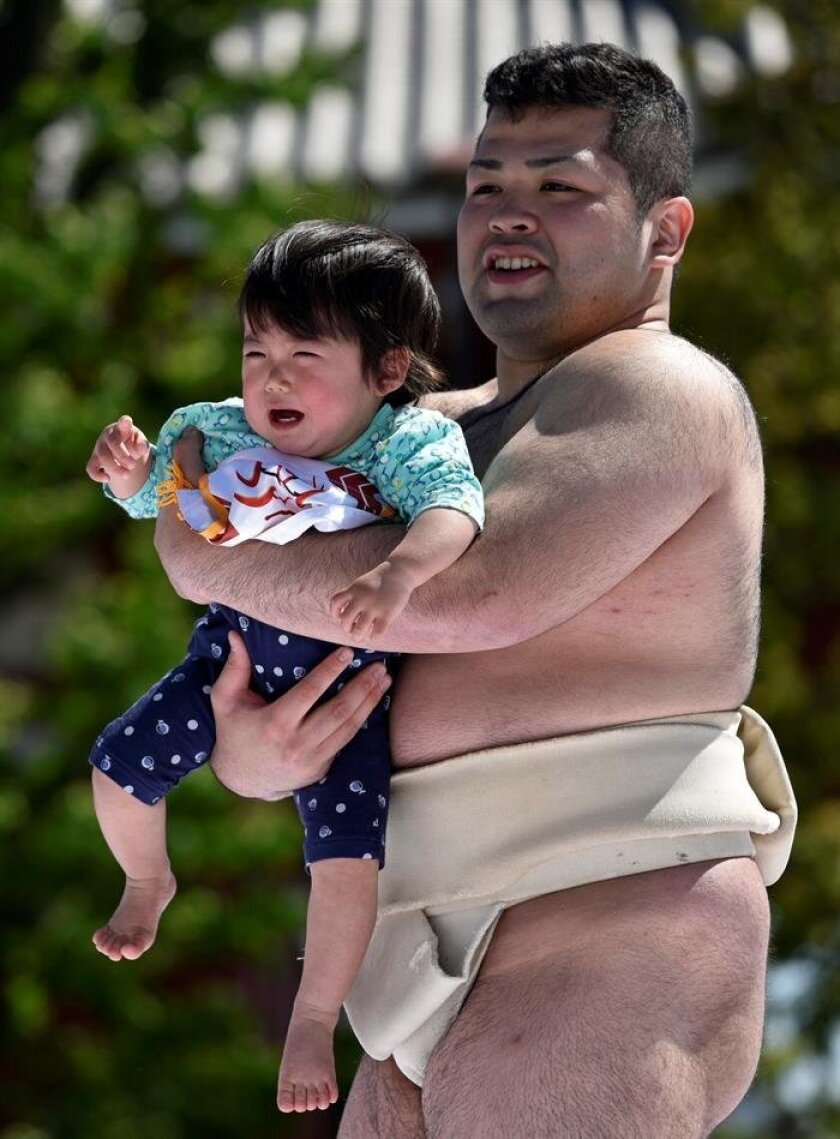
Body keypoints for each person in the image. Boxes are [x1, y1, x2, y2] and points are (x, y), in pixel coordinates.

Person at [153, 43, 797, 1137]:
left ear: (666, 231)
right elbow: (260, 604)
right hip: (409, 939)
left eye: (560, 186)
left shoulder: (662, 385)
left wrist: (196, 552)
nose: (508, 214)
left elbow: (472, 597)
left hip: (604, 907)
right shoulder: (416, 433)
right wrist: (254, 751)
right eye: (487, 185)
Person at [84, 220, 484, 1115]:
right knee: (115, 766)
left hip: (350, 686)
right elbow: (167, 499)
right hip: (224, 653)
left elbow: (456, 511)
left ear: (385, 371)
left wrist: (400, 572)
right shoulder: (217, 432)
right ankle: (148, 877)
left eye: (306, 351)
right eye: (256, 349)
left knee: (345, 863)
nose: (272, 376)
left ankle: (312, 1018)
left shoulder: (402, 445)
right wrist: (129, 473)